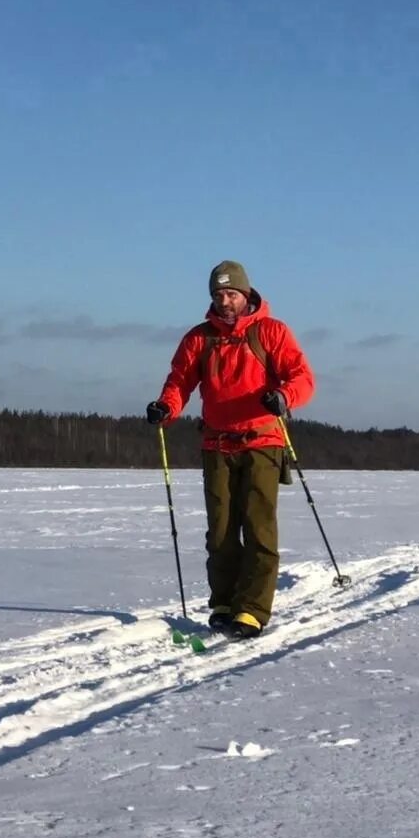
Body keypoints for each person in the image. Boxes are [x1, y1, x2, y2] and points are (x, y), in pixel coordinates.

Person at [145, 260, 314, 639]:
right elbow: (180, 381)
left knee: (258, 527)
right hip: (217, 443)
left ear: (246, 294)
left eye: (231, 294)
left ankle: (252, 610)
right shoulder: (199, 338)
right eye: (218, 295)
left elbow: (302, 378)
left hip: (262, 442)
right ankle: (223, 603)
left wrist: (284, 397)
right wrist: (166, 407)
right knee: (220, 530)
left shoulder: (271, 332)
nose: (225, 301)